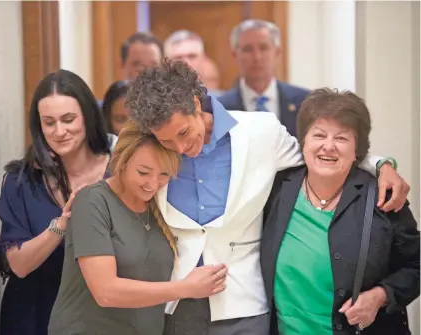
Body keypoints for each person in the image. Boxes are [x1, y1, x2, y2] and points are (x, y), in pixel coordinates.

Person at [125, 60, 409, 335]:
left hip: (244, 302)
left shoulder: (262, 132)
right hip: (176, 303)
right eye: (167, 142)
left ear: (196, 105)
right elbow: (115, 188)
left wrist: (381, 164)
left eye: (184, 132)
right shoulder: (148, 147)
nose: (181, 147)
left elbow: (319, 154)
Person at [261, 88, 420, 335]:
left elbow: (416, 265)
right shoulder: (275, 191)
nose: (328, 146)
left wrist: (381, 295)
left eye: (342, 138)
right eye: (319, 135)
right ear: (303, 141)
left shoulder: (381, 197)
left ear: (358, 150)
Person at [48, 121, 227, 335]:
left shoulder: (161, 206)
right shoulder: (92, 202)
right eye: (143, 172)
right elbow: (105, 291)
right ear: (122, 161)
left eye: (163, 175)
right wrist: (187, 288)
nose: (152, 184)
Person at [0, 69, 113, 335]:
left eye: (68, 119)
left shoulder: (120, 171)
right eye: (49, 122)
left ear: (88, 116)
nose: (60, 131)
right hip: (34, 316)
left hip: (103, 318)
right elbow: (19, 266)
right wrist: (60, 226)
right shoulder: (21, 181)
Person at [218, 19, 310, 136]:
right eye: (248, 49)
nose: (256, 57)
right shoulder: (220, 109)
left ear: (278, 53)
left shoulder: (305, 102)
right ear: (235, 55)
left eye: (263, 48)